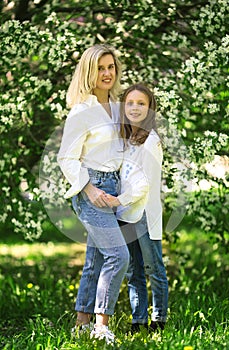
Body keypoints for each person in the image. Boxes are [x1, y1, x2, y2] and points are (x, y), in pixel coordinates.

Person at [57, 44, 130, 345]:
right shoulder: (82, 110)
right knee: (118, 255)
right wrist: (89, 189)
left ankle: (81, 323)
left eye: (111, 67)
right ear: (89, 72)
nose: (107, 73)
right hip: (91, 189)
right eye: (100, 68)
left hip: (114, 188)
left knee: (96, 260)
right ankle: (102, 325)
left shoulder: (116, 107)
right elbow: (66, 157)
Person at [104, 83, 169, 333]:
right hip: (125, 215)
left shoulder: (151, 141)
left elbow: (145, 185)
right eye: (130, 103)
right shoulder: (125, 139)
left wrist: (118, 200)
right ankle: (138, 319)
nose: (134, 108)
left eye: (141, 103)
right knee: (134, 271)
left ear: (150, 109)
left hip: (143, 214)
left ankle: (158, 320)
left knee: (154, 268)